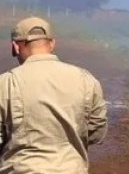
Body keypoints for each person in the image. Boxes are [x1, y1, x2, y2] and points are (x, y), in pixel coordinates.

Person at [0, 17, 107, 174]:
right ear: (52, 44)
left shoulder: (5, 82)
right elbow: (97, 131)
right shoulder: (85, 79)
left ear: (15, 47)